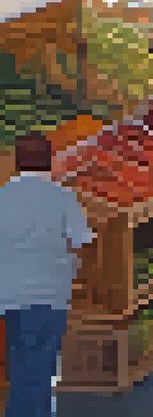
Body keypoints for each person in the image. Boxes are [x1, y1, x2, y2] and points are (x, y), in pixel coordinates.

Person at [0, 135, 93, 417]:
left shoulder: (2, 196)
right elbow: (81, 240)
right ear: (49, 160)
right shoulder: (63, 197)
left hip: (9, 295)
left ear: (17, 161)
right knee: (42, 366)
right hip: (50, 294)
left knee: (19, 364)